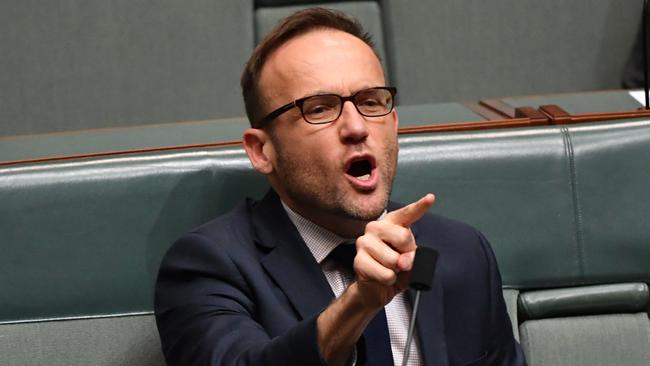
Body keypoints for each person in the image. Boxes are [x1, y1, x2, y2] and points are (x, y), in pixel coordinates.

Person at [155, 7, 525, 366]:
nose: (356, 127)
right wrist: (360, 302)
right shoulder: (208, 265)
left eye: (370, 102)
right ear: (262, 151)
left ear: (393, 124)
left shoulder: (459, 250)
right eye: (319, 108)